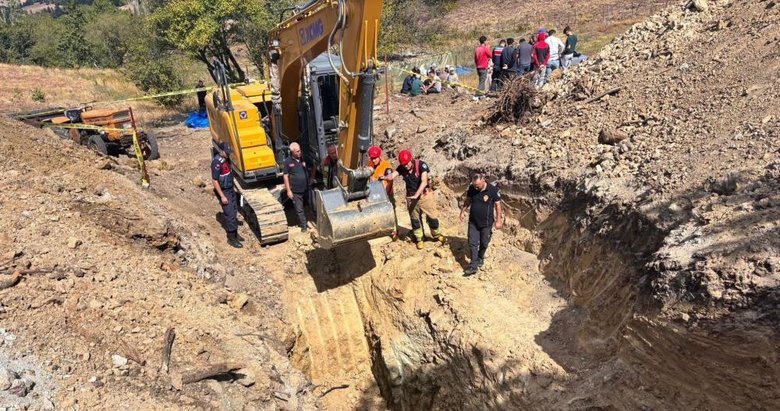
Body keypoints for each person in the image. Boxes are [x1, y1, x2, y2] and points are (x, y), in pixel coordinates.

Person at [383, 149, 445, 249]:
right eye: (403, 164)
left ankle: (437, 235)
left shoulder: (421, 165)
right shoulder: (402, 167)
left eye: (406, 164)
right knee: (415, 220)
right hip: (411, 198)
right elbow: (393, 175)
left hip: (425, 196)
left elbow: (424, 181)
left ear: (411, 159)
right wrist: (386, 177)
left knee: (432, 217)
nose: (405, 166)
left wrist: (417, 194)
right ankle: (419, 239)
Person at [459, 173, 503, 276]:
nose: (476, 188)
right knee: (472, 243)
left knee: (484, 242)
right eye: (474, 185)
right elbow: (468, 200)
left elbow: (498, 205)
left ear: (483, 181)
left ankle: (480, 257)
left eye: (478, 186)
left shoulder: (493, 190)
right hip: (473, 221)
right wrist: (462, 211)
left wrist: (498, 220)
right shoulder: (472, 188)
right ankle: (473, 265)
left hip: (486, 223)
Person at [211, 141, 242, 248]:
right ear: (221, 151)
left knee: (234, 210)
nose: (229, 154)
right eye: (227, 152)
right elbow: (215, 181)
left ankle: (235, 234)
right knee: (230, 214)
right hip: (224, 191)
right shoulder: (217, 163)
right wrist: (222, 196)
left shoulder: (226, 159)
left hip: (230, 189)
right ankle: (231, 238)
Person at [368, 146, 398, 240]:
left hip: (386, 194)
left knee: (391, 212)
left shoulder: (386, 166)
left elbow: (389, 182)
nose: (373, 160)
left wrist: (385, 194)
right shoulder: (369, 164)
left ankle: (394, 232)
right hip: (374, 194)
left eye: (375, 158)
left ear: (379, 156)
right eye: (372, 158)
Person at [283, 142, 312, 232]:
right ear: (292, 152)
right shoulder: (288, 162)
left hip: (307, 188)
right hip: (296, 191)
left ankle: (314, 220)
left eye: (300, 150)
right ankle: (304, 226)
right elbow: (285, 176)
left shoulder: (305, 158)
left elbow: (313, 166)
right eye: (297, 151)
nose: (300, 152)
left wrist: (312, 178)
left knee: (312, 205)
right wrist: (288, 190)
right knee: (299, 209)